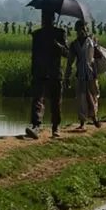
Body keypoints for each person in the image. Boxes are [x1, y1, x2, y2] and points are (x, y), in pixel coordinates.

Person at [26, 10, 68, 139]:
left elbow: (67, 53)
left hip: (55, 72)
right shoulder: (37, 35)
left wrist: (57, 46)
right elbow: (34, 55)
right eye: (43, 17)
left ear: (53, 19)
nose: (45, 20)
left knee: (56, 101)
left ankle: (55, 127)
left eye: (48, 18)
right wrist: (33, 71)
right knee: (37, 99)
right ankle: (36, 126)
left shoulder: (60, 33)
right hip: (40, 71)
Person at [64, 20, 102, 131]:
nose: (81, 31)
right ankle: (82, 121)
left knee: (93, 94)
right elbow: (70, 61)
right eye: (79, 29)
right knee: (81, 97)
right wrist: (67, 76)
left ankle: (94, 116)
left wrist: (96, 47)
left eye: (83, 29)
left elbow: (98, 55)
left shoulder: (92, 41)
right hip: (80, 73)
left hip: (91, 72)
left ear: (86, 29)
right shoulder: (74, 45)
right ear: (76, 30)